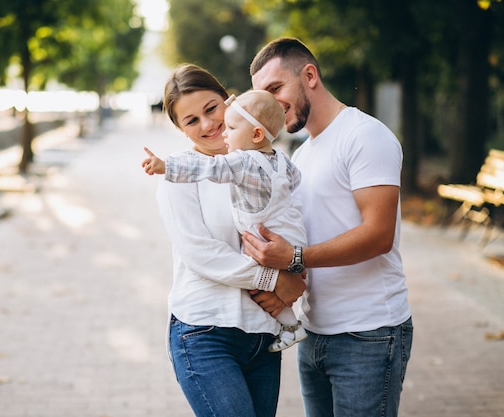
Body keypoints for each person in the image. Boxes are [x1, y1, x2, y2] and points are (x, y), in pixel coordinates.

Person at [242, 37, 413, 417]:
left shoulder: (365, 135)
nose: (269, 103)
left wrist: (296, 258)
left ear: (309, 75)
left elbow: (378, 235)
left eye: (275, 88)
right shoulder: (300, 154)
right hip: (314, 332)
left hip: (369, 333)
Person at [141, 63, 306, 417]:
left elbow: (293, 229)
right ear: (180, 129)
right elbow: (203, 254)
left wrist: (298, 275)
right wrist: (277, 280)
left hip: (263, 335)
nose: (208, 124)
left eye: (212, 109)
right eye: (191, 120)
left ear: (229, 101)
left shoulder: (271, 164)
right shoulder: (178, 174)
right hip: (205, 333)